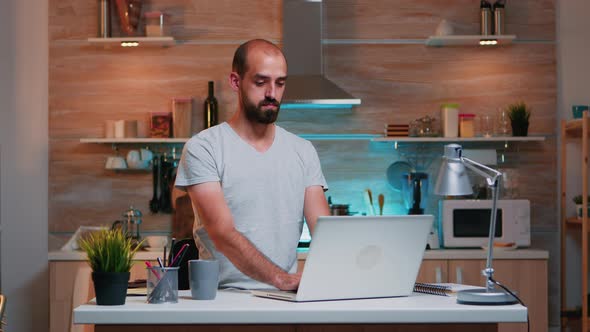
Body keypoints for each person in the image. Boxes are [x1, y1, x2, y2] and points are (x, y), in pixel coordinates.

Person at [175, 39, 330, 290]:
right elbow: (221, 233)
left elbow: (326, 234)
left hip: (285, 300)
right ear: (236, 82)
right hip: (223, 299)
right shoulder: (203, 148)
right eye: (261, 82)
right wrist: (282, 279)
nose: (272, 93)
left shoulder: (303, 151)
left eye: (280, 83)